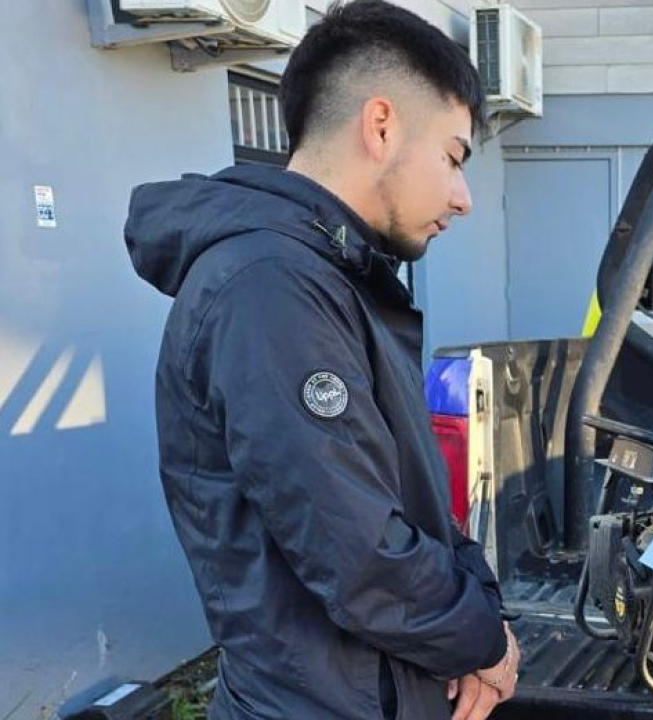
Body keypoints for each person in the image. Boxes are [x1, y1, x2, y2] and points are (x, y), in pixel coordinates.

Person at [124, 2, 518, 718]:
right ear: (381, 125)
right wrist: (483, 641)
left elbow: (413, 502)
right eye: (454, 157)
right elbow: (357, 549)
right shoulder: (270, 287)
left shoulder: (332, 277)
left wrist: (481, 620)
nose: (463, 198)